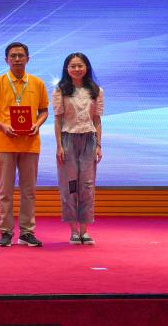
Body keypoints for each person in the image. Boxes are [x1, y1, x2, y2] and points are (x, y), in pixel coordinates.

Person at [0, 42, 49, 248]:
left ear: (28, 59)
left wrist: (37, 124)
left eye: (21, 55)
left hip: (30, 143)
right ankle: (6, 231)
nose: (17, 59)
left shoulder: (37, 83)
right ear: (6, 60)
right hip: (5, 143)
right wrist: (3, 126)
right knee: (5, 191)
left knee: (29, 191)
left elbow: (44, 111)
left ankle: (27, 232)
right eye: (13, 56)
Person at [53, 53, 104, 246]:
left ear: (86, 67)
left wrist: (98, 145)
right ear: (67, 69)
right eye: (72, 66)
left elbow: (97, 120)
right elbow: (58, 120)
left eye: (80, 65)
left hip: (89, 140)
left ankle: (85, 230)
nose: (76, 69)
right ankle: (73, 231)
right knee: (70, 186)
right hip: (68, 139)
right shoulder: (61, 90)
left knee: (87, 186)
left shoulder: (96, 90)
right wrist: (59, 146)